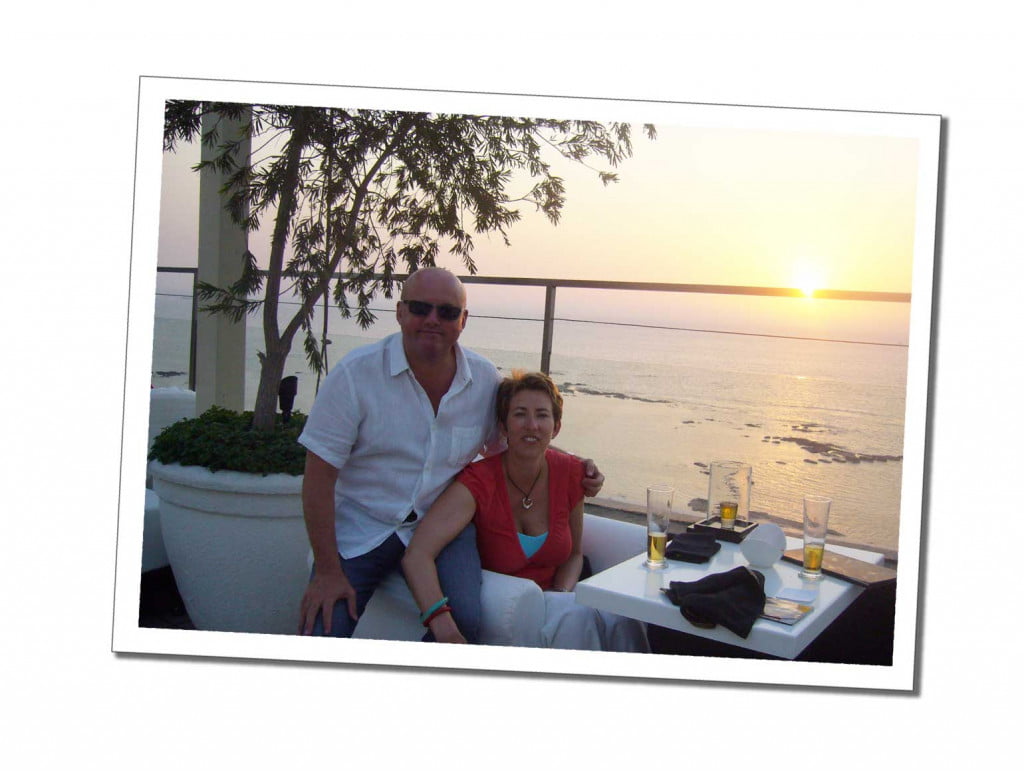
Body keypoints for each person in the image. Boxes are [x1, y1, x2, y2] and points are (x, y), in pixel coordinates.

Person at [296, 267, 605, 639]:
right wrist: (328, 570)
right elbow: (318, 477)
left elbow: (516, 438)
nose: (432, 319)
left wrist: (576, 465)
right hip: (363, 528)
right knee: (325, 628)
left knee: (466, 622)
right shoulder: (354, 375)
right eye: (420, 308)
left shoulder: (483, 380)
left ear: (463, 320)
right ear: (400, 311)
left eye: (446, 312)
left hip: (442, 528)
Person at [402, 371, 650, 652]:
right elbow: (417, 554)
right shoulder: (478, 483)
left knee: (621, 617)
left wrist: (559, 595)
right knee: (578, 618)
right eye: (520, 414)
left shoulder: (571, 473)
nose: (532, 425)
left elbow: (574, 554)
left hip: (559, 598)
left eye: (542, 415)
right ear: (503, 427)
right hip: (508, 607)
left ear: (556, 427)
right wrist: (440, 620)